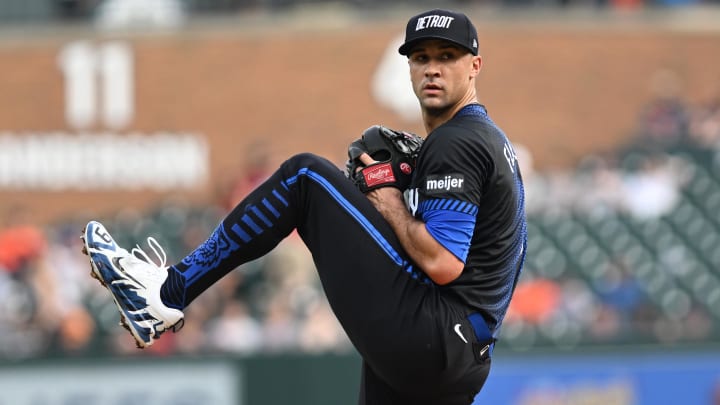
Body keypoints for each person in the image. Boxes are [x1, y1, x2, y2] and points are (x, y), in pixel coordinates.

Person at [81, 8, 527, 404]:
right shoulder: (490, 140)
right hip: (462, 357)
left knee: (305, 177)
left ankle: (166, 294)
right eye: (421, 57)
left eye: (447, 57)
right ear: (408, 67)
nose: (433, 69)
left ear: (475, 66)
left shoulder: (457, 140)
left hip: (434, 337)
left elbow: (443, 261)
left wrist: (388, 199)